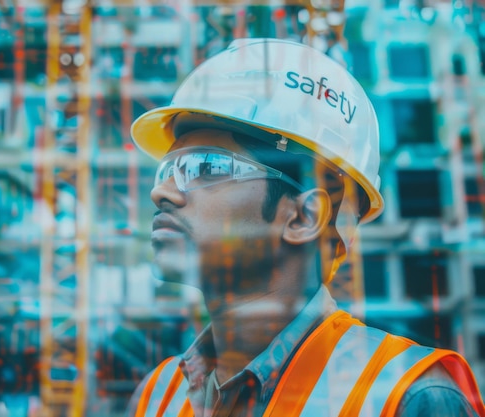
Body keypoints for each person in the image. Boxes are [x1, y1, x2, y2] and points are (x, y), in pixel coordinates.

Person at [126, 38, 485, 416]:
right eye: (169, 170)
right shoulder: (157, 396)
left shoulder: (408, 397)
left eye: (205, 167)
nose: (160, 191)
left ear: (304, 216)